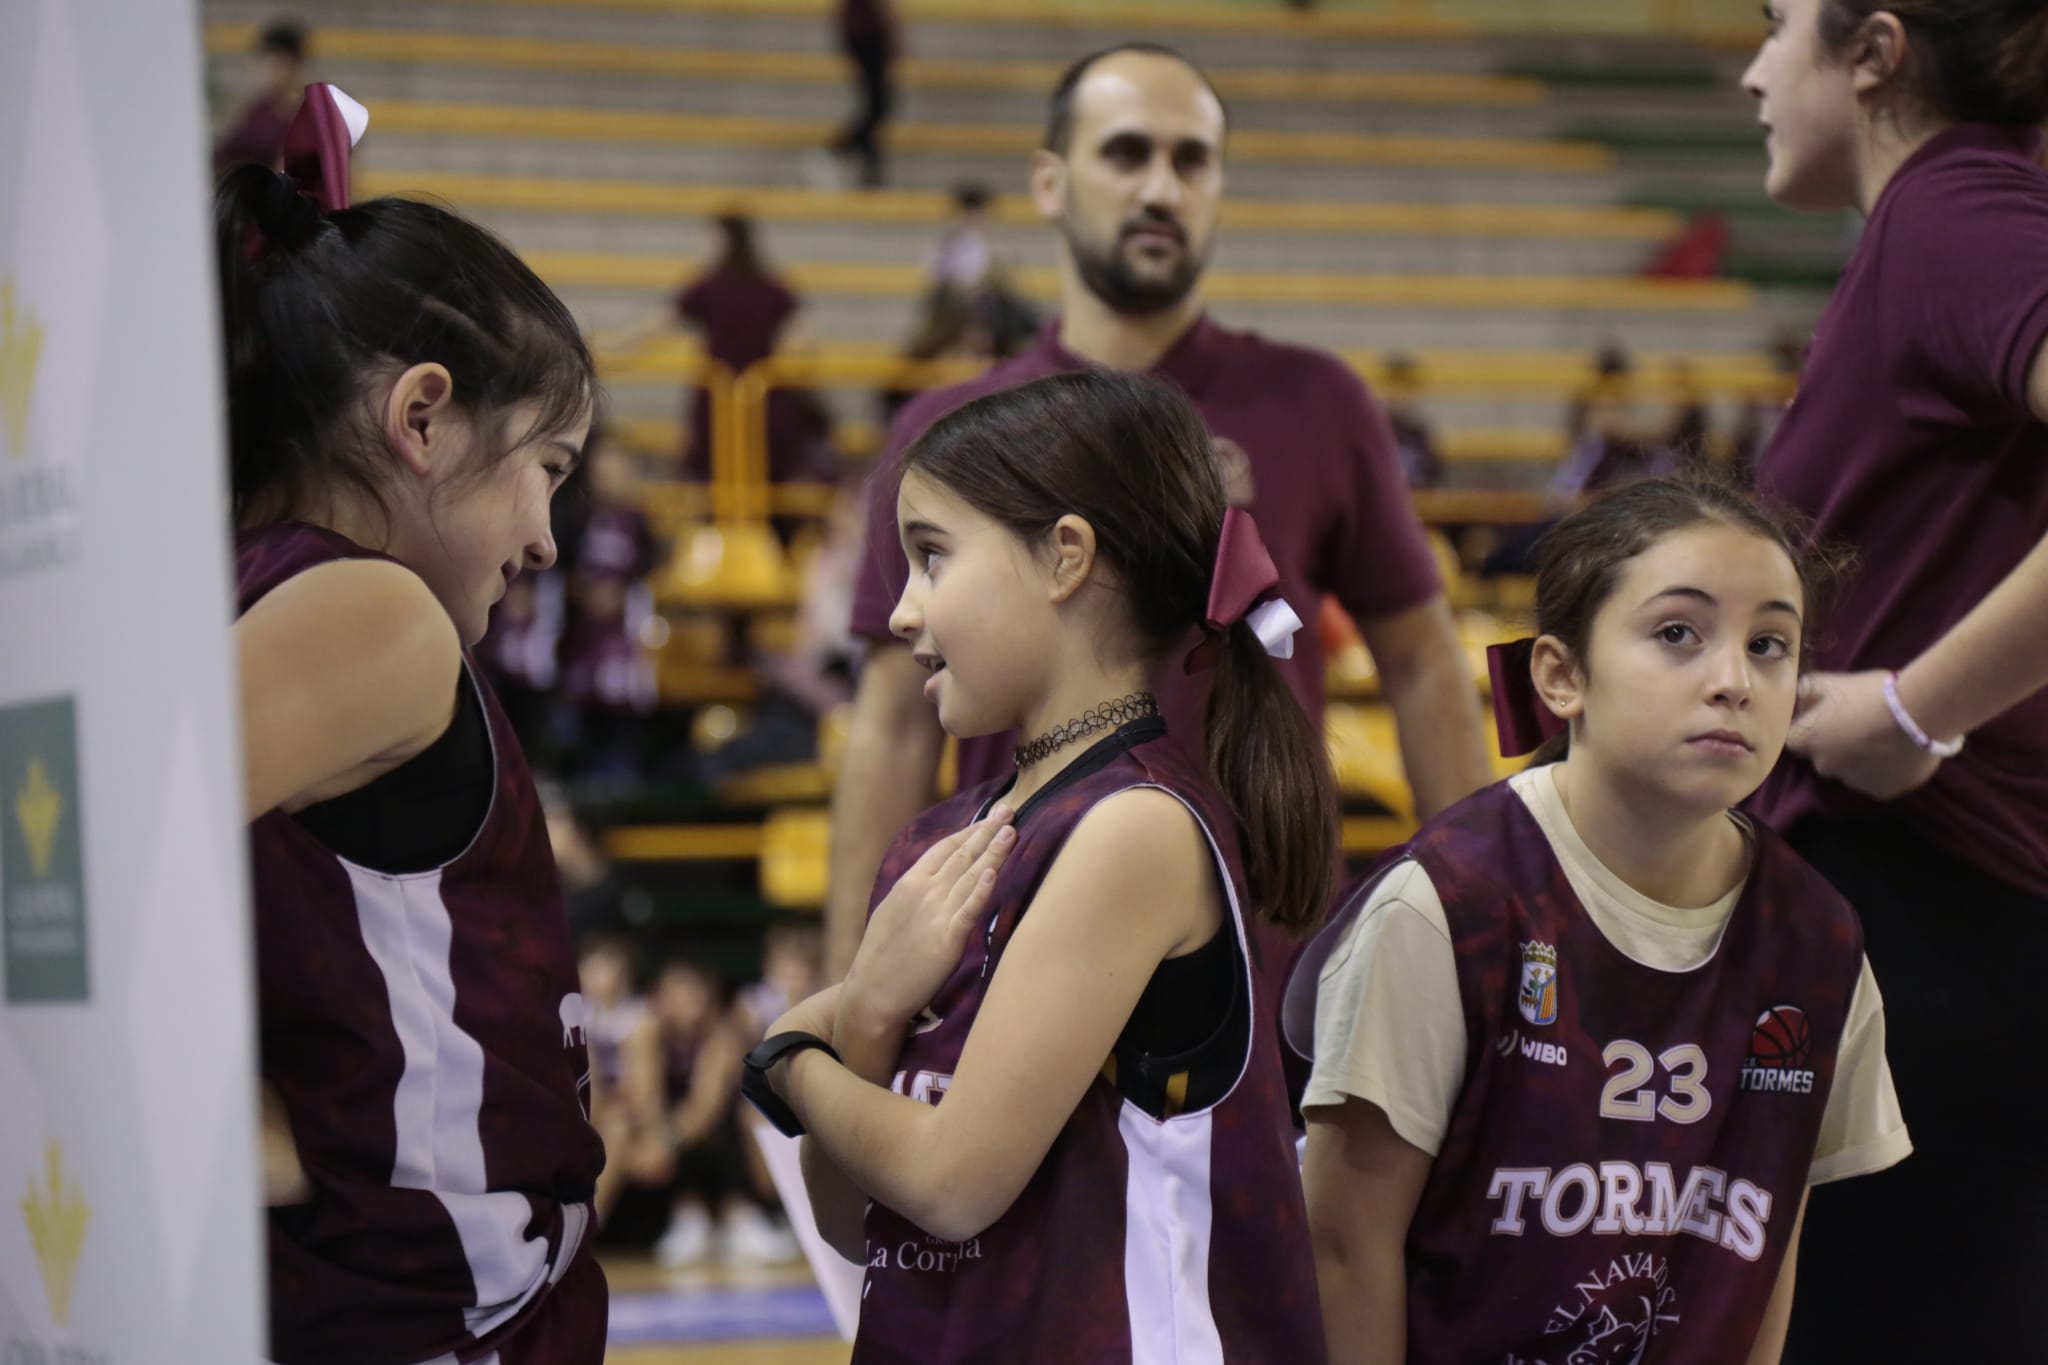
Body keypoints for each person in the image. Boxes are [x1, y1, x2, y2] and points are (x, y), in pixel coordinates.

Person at [826, 42, 1491, 983]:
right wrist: (850, 987)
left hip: (1269, 963)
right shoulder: (945, 432)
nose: (1162, 189)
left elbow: (1423, 664)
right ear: (1050, 183)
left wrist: (1477, 930)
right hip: (1007, 956)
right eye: (1127, 154)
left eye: (1192, 160)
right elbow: (894, 723)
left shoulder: (1319, 404)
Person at [754, 371, 1335, 1361]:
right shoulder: (943, 840)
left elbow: (949, 1183)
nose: (899, 611)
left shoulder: (1132, 833)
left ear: (1065, 557)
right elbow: (857, 1221)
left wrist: (785, 1055)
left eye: (931, 558)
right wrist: (862, 1020)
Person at [1289, 477, 1909, 1365]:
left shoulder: (1818, 943)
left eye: (1770, 644)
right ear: (1562, 673)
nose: (1733, 680)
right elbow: (1341, 1250)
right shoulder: (1446, 909)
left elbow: (1767, 1254)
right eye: (1677, 634)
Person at [223, 87, 607, 1364]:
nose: (549, 537)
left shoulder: (261, 586)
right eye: (546, 467)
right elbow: (70, 869)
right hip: (430, 1321)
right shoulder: (374, 615)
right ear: (424, 418)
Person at [1739, 1, 2048, 1357]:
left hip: (1945, 924)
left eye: (1774, 25)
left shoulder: (1957, 212)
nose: (1752, 69)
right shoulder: (1943, 225)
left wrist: (1921, 702)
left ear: (1873, 52)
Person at [619, 215, 828, 483]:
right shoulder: (772, 284)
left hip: (718, 404)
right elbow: (808, 338)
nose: (702, 246)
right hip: (763, 401)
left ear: (725, 239)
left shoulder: (707, 286)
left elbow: (657, 327)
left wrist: (616, 348)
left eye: (708, 237)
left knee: (714, 482)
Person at [213, 20, 308, 176]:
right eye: (264, 62)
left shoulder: (314, 113)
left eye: (275, 63)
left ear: (294, 63)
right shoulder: (258, 111)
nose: (267, 71)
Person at [830, 0, 899, 188]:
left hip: (862, 31)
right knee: (878, 105)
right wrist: (894, 33)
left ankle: (867, 163)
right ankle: (839, 149)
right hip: (866, 33)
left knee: (876, 105)